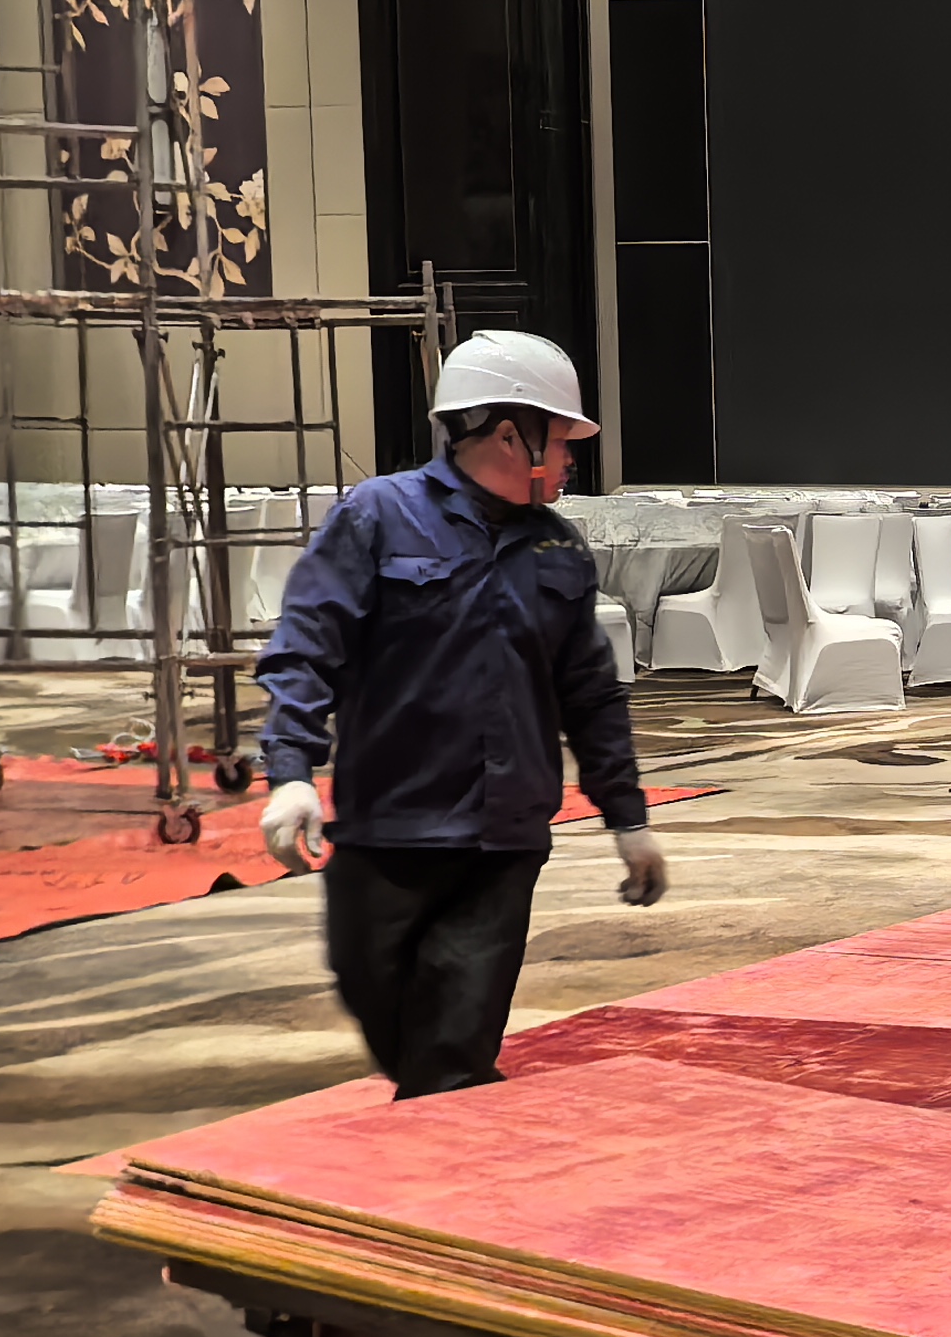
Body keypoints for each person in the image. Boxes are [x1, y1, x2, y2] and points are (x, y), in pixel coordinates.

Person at [253, 329, 667, 1097]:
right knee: (377, 1002)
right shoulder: (377, 517)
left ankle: (450, 1141)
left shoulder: (558, 552)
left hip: (500, 847)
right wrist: (291, 771)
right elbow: (307, 646)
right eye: (561, 441)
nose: (570, 461)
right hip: (386, 831)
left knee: (449, 1056)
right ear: (510, 435)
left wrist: (628, 818)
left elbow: (592, 697)